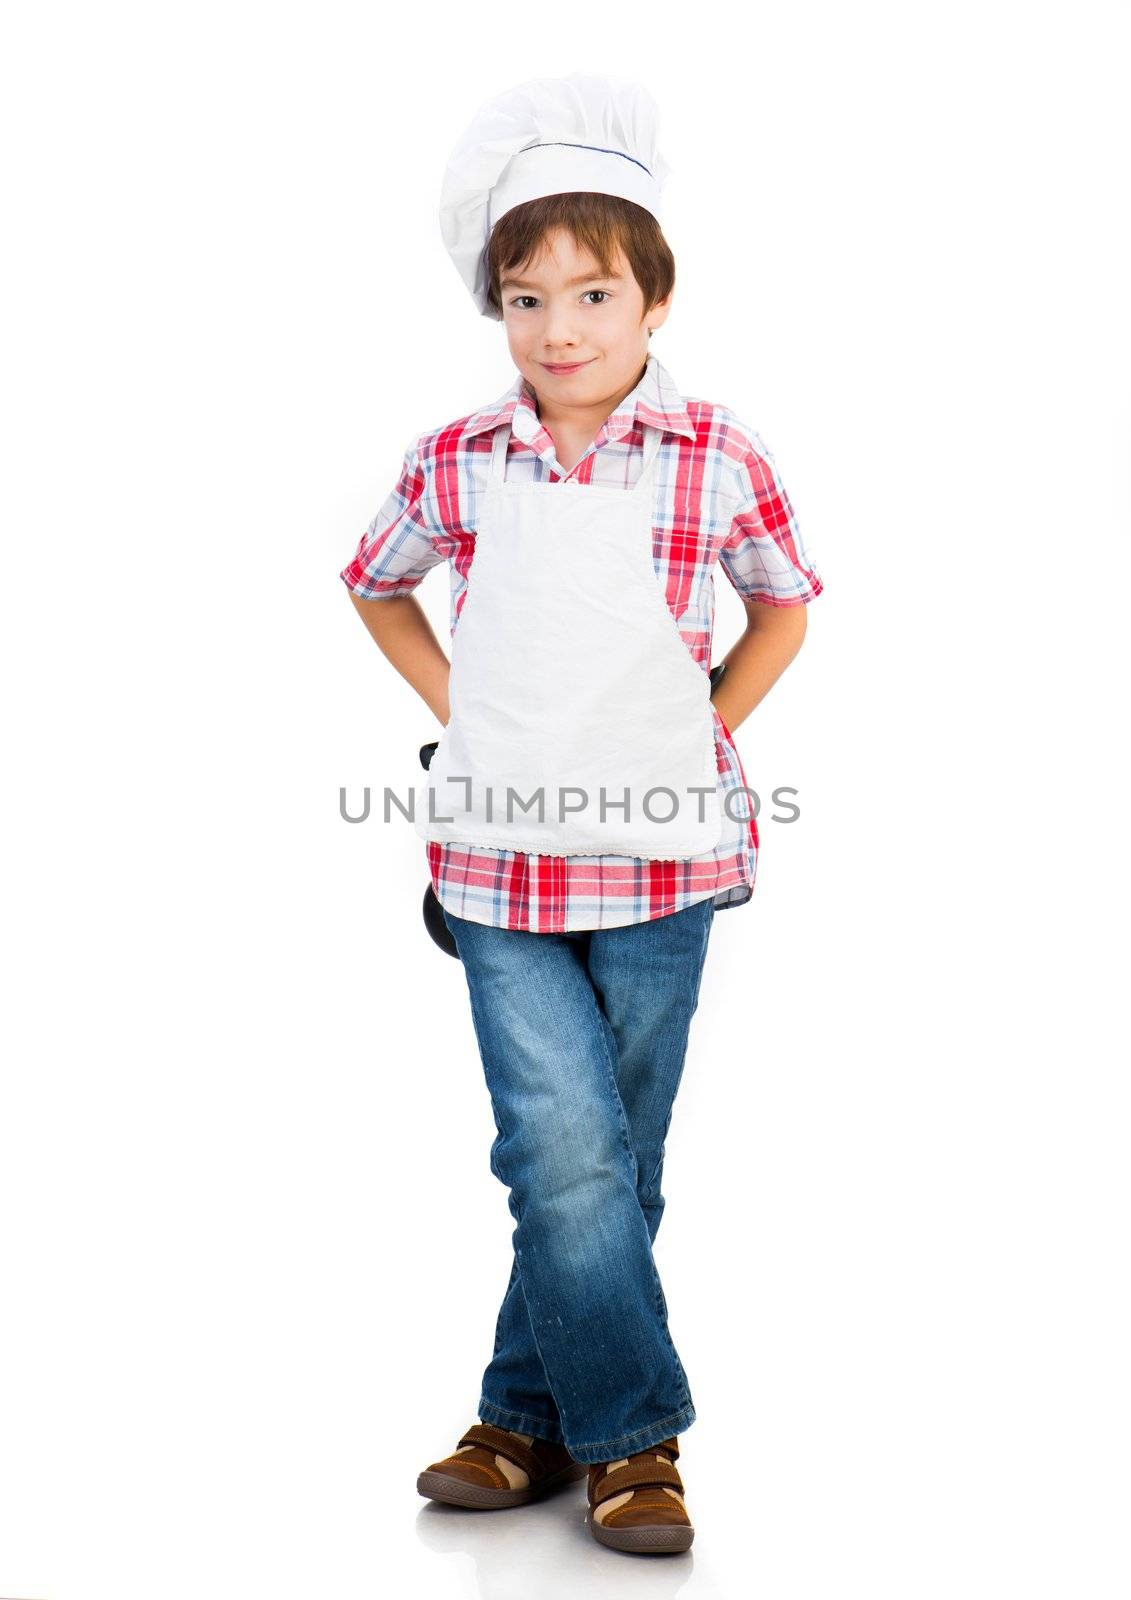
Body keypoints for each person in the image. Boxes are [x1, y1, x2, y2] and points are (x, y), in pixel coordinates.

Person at [339, 71, 823, 1557]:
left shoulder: (716, 453)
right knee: (559, 1147)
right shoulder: (457, 460)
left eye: (594, 293)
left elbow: (785, 611)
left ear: (653, 299)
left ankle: (516, 1419)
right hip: (493, 860)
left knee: (609, 1158)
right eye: (527, 298)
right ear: (496, 314)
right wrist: (461, 711)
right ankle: (636, 1446)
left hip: (669, 857)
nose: (560, 329)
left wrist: (704, 726)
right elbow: (373, 580)